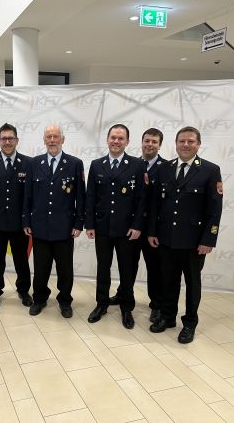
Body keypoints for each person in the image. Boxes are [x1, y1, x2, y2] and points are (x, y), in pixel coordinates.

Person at [148, 126, 223, 343]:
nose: (186, 145)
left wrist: (208, 240)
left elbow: (215, 209)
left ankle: (189, 323)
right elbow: (155, 204)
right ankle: (168, 317)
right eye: (182, 141)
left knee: (192, 284)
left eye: (190, 141)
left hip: (194, 242)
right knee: (168, 281)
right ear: (176, 144)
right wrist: (152, 231)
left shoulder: (210, 170)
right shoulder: (165, 168)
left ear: (198, 144)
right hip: (166, 238)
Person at [85, 124, 145, 329]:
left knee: (127, 270)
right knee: (103, 268)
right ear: (107, 139)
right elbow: (91, 196)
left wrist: (137, 225)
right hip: (102, 227)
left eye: (121, 138)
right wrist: (90, 224)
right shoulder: (96, 165)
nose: (116, 141)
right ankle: (101, 304)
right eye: (113, 137)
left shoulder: (137, 165)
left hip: (127, 230)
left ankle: (126, 308)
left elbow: (141, 198)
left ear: (127, 142)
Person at [23, 125, 85, 318]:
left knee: (65, 269)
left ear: (62, 139)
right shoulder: (34, 163)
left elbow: (80, 197)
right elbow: (27, 196)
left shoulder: (75, 164)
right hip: (39, 227)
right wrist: (26, 221)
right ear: (44, 140)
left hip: (65, 228)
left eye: (55, 136)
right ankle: (39, 299)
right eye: (48, 137)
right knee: (41, 268)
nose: (52, 140)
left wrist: (78, 223)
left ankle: (65, 301)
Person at [109, 128, 167, 324]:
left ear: (160, 145)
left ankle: (156, 304)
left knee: (154, 268)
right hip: (131, 227)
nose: (149, 145)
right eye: (147, 141)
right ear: (141, 142)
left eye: (154, 142)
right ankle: (123, 294)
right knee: (128, 266)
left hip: (152, 229)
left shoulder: (166, 168)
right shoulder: (132, 164)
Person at [0, 123, 33, 309]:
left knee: (21, 259)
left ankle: (23, 290)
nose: (7, 142)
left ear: (17, 140)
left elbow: (31, 195)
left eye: (11, 138)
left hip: (20, 223)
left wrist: (28, 221)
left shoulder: (28, 163)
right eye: (4, 139)